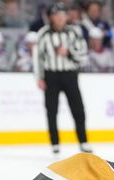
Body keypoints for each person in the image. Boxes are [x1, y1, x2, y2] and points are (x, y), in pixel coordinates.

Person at [34, 2, 90, 155]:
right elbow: (37, 57)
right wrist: (39, 77)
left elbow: (84, 55)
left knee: (78, 109)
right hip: (51, 75)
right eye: (55, 15)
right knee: (51, 110)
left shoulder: (74, 32)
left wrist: (69, 52)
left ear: (66, 16)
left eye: (62, 15)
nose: (59, 18)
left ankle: (83, 141)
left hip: (70, 75)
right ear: (51, 17)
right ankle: (55, 143)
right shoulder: (43, 33)